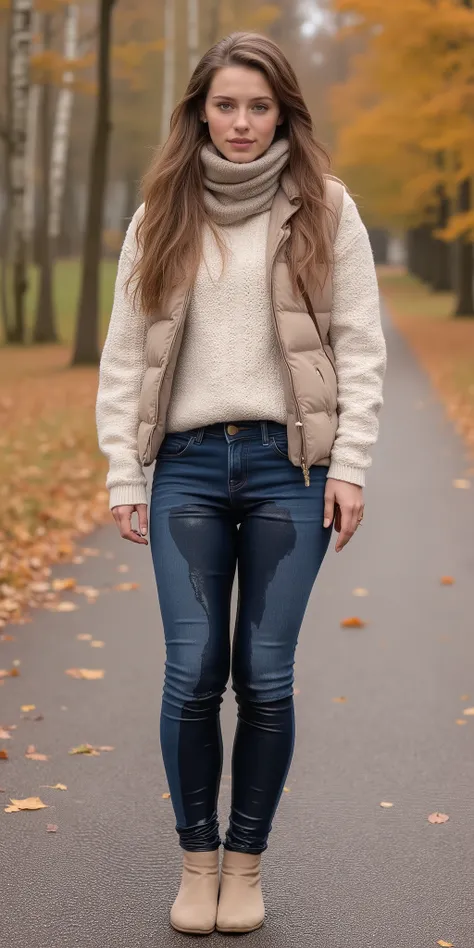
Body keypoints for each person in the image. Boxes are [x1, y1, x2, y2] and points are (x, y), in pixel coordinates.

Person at [96, 31, 386, 936]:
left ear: (284, 112)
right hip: (183, 468)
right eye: (226, 104)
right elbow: (121, 354)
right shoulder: (161, 212)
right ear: (199, 111)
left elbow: (360, 350)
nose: (243, 123)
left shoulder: (327, 210)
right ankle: (196, 861)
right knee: (192, 675)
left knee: (263, 677)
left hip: (288, 470)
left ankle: (245, 864)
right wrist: (123, 471)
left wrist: (351, 466)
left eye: (260, 106)